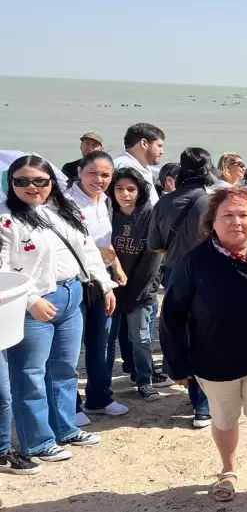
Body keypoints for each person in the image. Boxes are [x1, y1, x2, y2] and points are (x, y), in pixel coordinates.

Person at [161, 187, 247, 509]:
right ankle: (228, 471)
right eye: (227, 215)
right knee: (224, 419)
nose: (236, 222)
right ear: (212, 222)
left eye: (244, 214)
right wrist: (177, 362)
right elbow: (172, 312)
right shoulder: (195, 261)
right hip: (215, 358)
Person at [0, 154, 117, 461]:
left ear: (52, 182)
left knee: (64, 369)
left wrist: (104, 284)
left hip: (71, 295)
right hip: (32, 304)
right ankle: (37, 441)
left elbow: (88, 249)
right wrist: (30, 301)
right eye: (22, 181)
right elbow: (2, 269)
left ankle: (64, 427)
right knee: (29, 374)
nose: (32, 187)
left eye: (40, 180)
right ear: (11, 184)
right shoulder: (5, 218)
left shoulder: (62, 210)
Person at [148, 147, 213, 429]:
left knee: (181, 332)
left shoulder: (164, 203)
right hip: (209, 273)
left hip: (174, 274)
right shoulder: (214, 203)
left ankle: (195, 393)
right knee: (208, 335)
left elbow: (155, 245)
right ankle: (203, 404)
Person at [65, 152, 130, 424]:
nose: (99, 180)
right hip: (75, 279)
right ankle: (73, 406)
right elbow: (70, 243)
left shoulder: (104, 200)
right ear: (80, 171)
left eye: (105, 175)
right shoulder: (65, 202)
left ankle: (99, 397)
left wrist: (117, 267)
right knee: (70, 347)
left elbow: (106, 240)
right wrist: (96, 251)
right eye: (93, 173)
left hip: (100, 279)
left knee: (100, 341)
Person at [108, 168, 170, 401]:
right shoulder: (106, 213)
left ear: (140, 190)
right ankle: (103, 387)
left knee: (141, 338)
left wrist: (134, 292)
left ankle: (144, 380)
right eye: (119, 189)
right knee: (107, 340)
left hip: (142, 289)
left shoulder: (151, 216)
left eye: (131, 189)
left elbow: (153, 261)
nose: (125, 194)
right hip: (110, 288)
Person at [112, 123, 165, 206]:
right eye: (159, 146)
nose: (162, 152)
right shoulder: (123, 168)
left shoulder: (142, 167)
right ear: (144, 143)